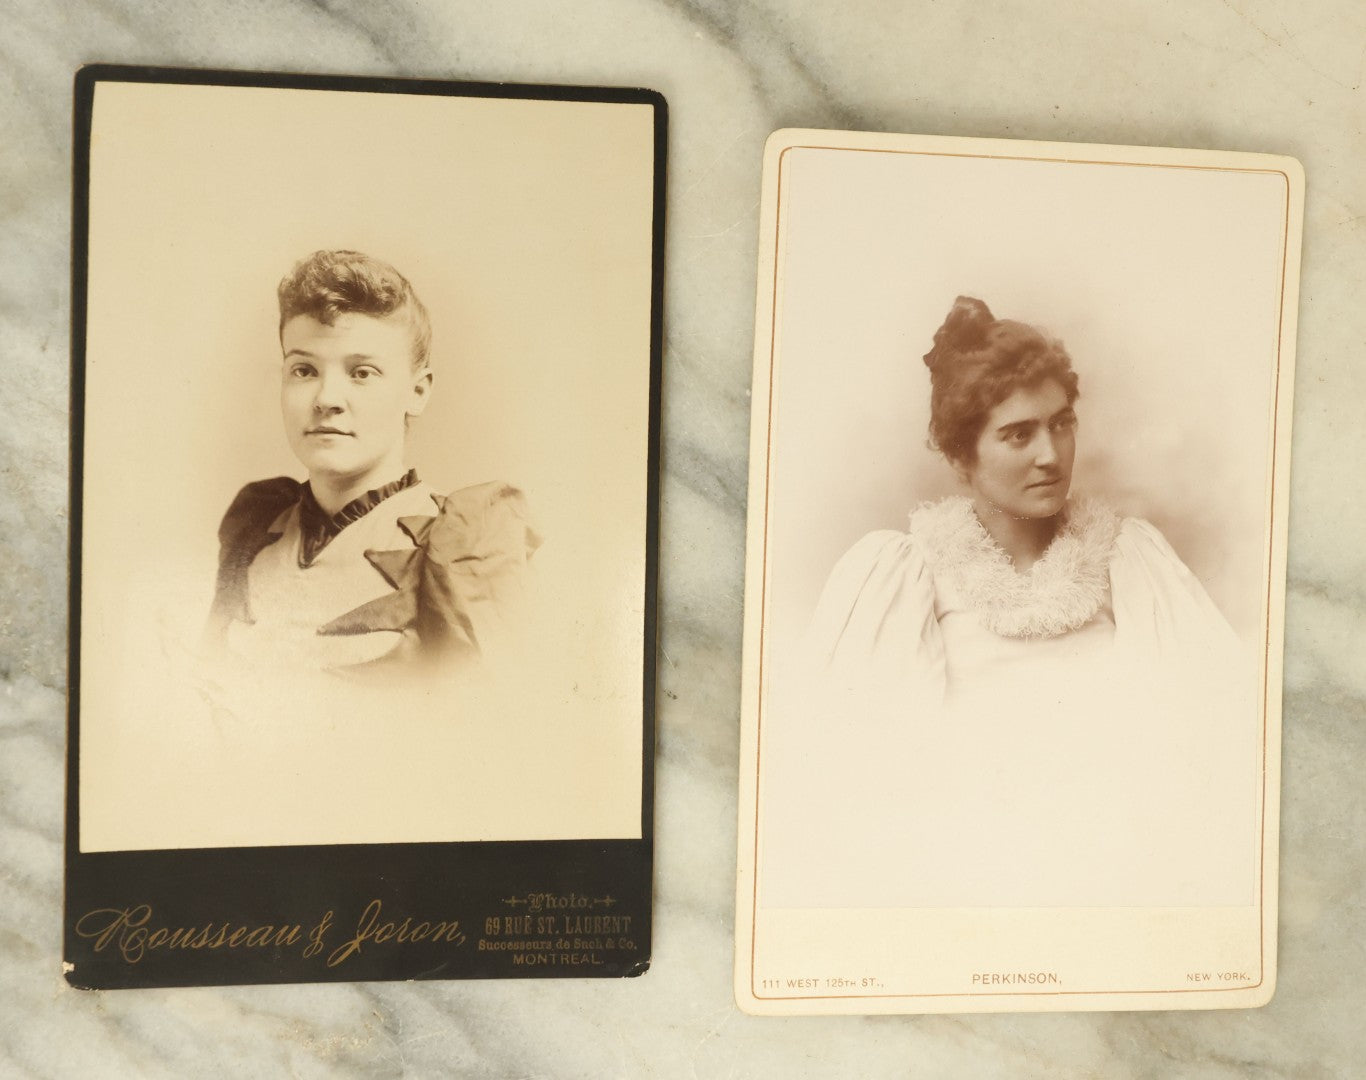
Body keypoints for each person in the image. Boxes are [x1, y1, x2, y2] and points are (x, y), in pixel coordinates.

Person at [762, 296, 1255, 909]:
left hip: (1124, 877)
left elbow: (1217, 747)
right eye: (1018, 434)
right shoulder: (900, 577)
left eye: (1062, 423)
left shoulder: (1131, 562)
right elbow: (855, 783)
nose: (1050, 455)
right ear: (960, 455)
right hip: (961, 883)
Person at [204, 250, 539, 675]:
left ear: (418, 392)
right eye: (304, 370)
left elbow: (484, 726)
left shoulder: (463, 546)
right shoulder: (255, 528)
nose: (326, 400)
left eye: (361, 373)